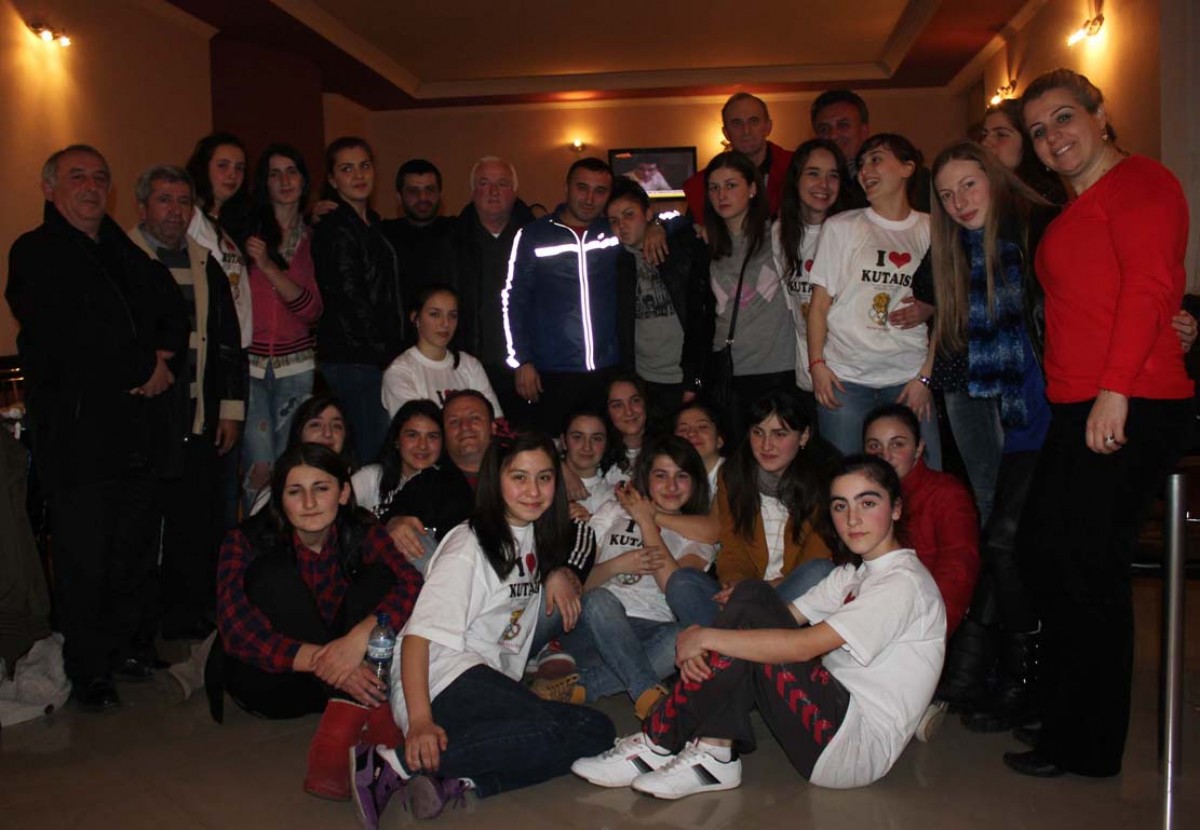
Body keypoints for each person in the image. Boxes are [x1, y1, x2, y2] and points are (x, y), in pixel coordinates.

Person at [1003, 69, 1193, 779]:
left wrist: (1116, 391)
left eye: (1063, 117)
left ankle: (1086, 744)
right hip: (1078, 403)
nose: (1052, 137)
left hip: (1130, 399)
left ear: (1100, 114)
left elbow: (1149, 286)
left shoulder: (1143, 183)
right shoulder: (1072, 206)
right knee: (1043, 553)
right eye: (1038, 131)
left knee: (1088, 566)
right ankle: (1064, 710)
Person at [570, 454, 945, 796]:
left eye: (868, 503)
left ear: (896, 508)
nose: (852, 519)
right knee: (750, 594)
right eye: (840, 505)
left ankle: (659, 739)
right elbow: (777, 617)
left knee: (748, 606)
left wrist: (706, 637)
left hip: (852, 748)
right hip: (826, 717)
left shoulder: (902, 583)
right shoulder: (853, 574)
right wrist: (713, 637)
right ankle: (714, 753)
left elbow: (802, 646)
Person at [351, 433, 615, 825]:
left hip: (487, 682)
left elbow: (572, 545)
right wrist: (420, 721)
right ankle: (395, 763)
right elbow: (418, 638)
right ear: (496, 480)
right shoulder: (469, 545)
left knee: (596, 731)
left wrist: (557, 571)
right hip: (441, 678)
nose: (533, 491)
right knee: (555, 728)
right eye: (519, 477)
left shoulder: (535, 534)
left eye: (544, 478)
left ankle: (459, 778)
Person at [7, 145, 188, 711]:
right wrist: (141, 368)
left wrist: (161, 358)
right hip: (79, 435)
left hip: (136, 430)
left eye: (100, 178)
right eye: (77, 177)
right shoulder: (35, 252)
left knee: (132, 548)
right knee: (85, 556)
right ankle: (89, 671)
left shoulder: (123, 250)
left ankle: (129, 648)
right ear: (50, 188)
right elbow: (68, 334)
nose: (91, 186)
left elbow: (168, 304)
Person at [213, 443, 422, 800]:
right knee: (271, 575)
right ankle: (369, 715)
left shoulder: (361, 527)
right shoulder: (243, 541)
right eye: (295, 492)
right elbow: (236, 632)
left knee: (381, 577)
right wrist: (335, 665)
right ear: (280, 499)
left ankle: (348, 718)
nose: (309, 503)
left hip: (342, 674)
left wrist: (358, 638)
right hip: (272, 683)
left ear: (343, 493)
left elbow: (411, 582)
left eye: (321, 488)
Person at [129, 165, 246, 642]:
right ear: (142, 207)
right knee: (139, 529)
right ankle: (140, 627)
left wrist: (231, 410)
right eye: (164, 200)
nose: (175, 211)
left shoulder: (204, 262)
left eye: (183, 202)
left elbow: (228, 340)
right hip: (142, 420)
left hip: (199, 417)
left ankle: (188, 617)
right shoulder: (123, 259)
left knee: (195, 523)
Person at [539, 436, 715, 719]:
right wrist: (617, 566)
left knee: (686, 636)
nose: (671, 486)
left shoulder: (696, 536)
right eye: (661, 475)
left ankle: (586, 686)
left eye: (681, 476)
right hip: (594, 628)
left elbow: (674, 588)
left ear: (695, 482)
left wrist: (647, 520)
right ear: (646, 477)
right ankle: (646, 692)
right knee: (600, 600)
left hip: (653, 634)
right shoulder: (613, 511)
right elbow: (578, 585)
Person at [806, 133, 941, 467]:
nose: (865, 170)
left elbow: (950, 312)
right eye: (862, 164)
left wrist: (926, 377)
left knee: (923, 477)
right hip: (845, 379)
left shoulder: (934, 229)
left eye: (877, 159)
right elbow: (819, 306)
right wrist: (817, 365)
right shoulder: (841, 226)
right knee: (847, 478)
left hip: (909, 377)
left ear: (908, 167)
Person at [665, 389, 836, 628]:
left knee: (820, 572)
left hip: (788, 594)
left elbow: (816, 556)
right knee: (682, 580)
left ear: (804, 436)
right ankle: (743, 638)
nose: (766, 445)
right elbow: (732, 546)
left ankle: (730, 640)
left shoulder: (826, 481)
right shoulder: (734, 475)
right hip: (745, 592)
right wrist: (737, 584)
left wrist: (756, 592)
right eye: (758, 432)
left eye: (779, 434)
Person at [501, 158, 624, 434]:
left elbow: (672, 220)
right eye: (582, 188)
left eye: (600, 191)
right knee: (554, 447)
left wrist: (656, 226)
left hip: (607, 368)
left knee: (603, 446)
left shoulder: (613, 231)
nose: (590, 199)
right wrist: (521, 360)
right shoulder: (534, 235)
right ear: (566, 188)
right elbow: (513, 299)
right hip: (552, 370)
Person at [241, 143, 324, 513]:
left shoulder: (315, 238)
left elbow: (311, 309)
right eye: (274, 174)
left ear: (304, 181)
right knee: (259, 466)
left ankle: (289, 539)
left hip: (297, 367)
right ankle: (257, 539)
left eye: (292, 171)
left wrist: (269, 267)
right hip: (250, 366)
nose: (284, 180)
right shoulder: (247, 234)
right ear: (264, 183)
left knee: (292, 464)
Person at [312, 136, 405, 464]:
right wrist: (385, 354)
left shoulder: (372, 223)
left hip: (371, 355)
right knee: (371, 453)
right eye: (347, 169)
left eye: (364, 166)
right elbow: (349, 299)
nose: (359, 175)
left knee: (379, 448)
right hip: (353, 357)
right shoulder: (335, 227)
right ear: (332, 179)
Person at [701, 151, 794, 441]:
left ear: (753, 188)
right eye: (714, 188)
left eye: (731, 185)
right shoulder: (705, 243)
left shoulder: (780, 236)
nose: (721, 195)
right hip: (728, 371)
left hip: (777, 367)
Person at [445, 157, 536, 426]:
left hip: (526, 370)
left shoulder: (536, 239)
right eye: (484, 183)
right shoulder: (452, 241)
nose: (493, 192)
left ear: (515, 192)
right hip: (470, 366)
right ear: (473, 191)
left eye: (502, 184)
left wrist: (529, 359)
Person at [608, 178, 710, 411]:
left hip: (687, 373)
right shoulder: (617, 262)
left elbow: (686, 222)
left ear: (647, 214)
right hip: (645, 378)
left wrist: (659, 224)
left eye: (629, 215)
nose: (621, 225)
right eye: (613, 220)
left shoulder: (678, 246)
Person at [773, 138, 852, 427]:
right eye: (813, 173)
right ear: (796, 179)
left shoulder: (851, 229)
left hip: (848, 372)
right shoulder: (780, 232)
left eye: (833, 175)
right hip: (805, 373)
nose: (824, 184)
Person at [381, 283, 503, 418]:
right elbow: (418, 425)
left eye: (452, 315)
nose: (445, 323)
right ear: (415, 318)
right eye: (435, 314)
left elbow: (495, 419)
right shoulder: (400, 372)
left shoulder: (470, 365)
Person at [810, 89, 931, 212]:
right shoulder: (813, 186)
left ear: (864, 130)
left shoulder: (913, 179)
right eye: (824, 129)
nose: (833, 135)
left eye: (843, 125)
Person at [185, 132, 253, 347]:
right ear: (203, 168)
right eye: (223, 165)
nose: (232, 174)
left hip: (237, 344)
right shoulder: (190, 216)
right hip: (208, 343)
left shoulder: (229, 224)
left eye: (239, 168)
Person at [682, 93, 794, 219]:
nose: (746, 131)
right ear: (726, 133)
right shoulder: (702, 185)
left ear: (768, 127)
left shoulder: (796, 168)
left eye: (754, 121)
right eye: (737, 123)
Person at [381, 159, 456, 308]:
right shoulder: (383, 236)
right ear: (399, 197)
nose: (423, 198)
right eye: (413, 191)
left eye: (430, 190)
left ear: (440, 194)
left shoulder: (459, 231)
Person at [352, 399, 444, 518]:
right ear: (396, 440)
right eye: (412, 435)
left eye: (432, 436)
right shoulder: (371, 477)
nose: (422, 445)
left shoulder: (451, 487)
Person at [979, 99, 1069, 205]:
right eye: (985, 135)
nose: (985, 143)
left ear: (1027, 141)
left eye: (1001, 135)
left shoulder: (1046, 199)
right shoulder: (982, 190)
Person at [560, 406, 614, 521]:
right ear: (564, 441)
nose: (587, 447)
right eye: (578, 437)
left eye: (596, 439)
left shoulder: (612, 496)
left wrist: (590, 522)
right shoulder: (545, 481)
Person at [674, 400, 726, 502]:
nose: (692, 433)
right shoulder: (671, 481)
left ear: (719, 440)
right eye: (683, 429)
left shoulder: (736, 475)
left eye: (702, 427)